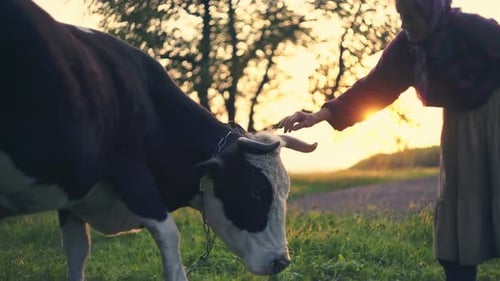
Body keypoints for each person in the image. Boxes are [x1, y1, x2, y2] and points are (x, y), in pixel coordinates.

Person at [277, 0, 500, 280]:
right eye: (401, 16)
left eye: (410, 16)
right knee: (458, 222)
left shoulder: (473, 29)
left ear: (430, 12)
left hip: (495, 118)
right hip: (459, 130)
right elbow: (374, 87)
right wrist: (319, 116)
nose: (405, 24)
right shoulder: (408, 47)